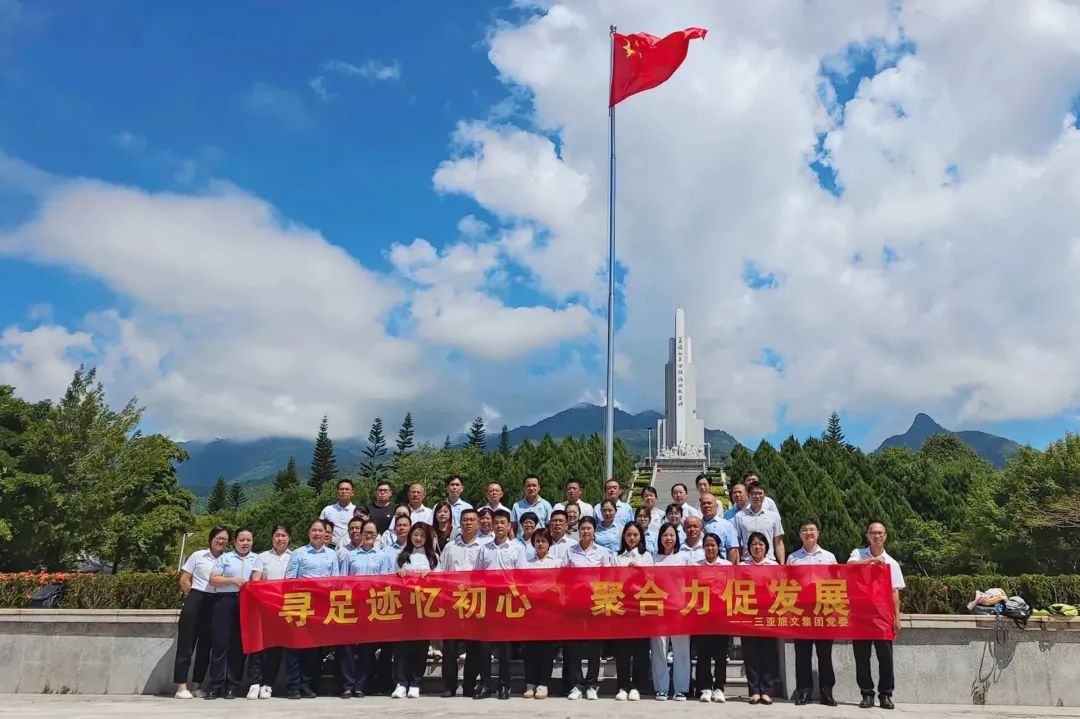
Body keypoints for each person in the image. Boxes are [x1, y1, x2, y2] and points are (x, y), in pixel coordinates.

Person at [848, 520, 904, 710]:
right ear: (867, 535)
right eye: (873, 532)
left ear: (885, 536)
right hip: (860, 616)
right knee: (862, 657)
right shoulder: (857, 554)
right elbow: (849, 568)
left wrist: (897, 618)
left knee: (885, 658)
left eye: (880, 533)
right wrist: (871, 561)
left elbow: (895, 592)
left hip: (883, 617)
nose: (877, 536)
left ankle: (886, 694)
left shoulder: (892, 563)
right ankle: (866, 693)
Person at [283, 519, 339, 699]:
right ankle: (293, 686)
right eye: (313, 530)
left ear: (326, 534)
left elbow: (335, 580)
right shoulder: (298, 553)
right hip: (300, 604)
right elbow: (289, 579)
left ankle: (306, 684)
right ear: (308, 533)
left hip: (321, 606)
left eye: (320, 531)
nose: (317, 533)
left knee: (314, 649)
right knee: (295, 647)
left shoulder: (332, 554)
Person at [475, 510, 527, 700]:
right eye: (495, 522)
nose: (498, 526)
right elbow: (477, 575)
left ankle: (504, 684)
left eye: (502, 522)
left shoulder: (517, 548)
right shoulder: (484, 548)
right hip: (488, 601)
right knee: (485, 647)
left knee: (505, 648)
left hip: (507, 602)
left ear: (509, 526)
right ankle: (485, 684)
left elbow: (522, 577)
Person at [174, 525, 230, 699]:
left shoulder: (228, 559)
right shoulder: (198, 555)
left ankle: (197, 685)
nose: (220, 541)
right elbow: (184, 578)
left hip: (216, 602)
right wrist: (191, 596)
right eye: (218, 537)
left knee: (206, 646)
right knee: (186, 644)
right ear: (211, 538)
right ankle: (181, 687)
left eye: (224, 539)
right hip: (196, 598)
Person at [787, 519, 838, 706]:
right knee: (802, 655)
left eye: (812, 530)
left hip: (823, 611)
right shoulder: (793, 558)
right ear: (800, 534)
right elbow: (788, 584)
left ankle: (827, 693)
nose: (808, 533)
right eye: (804, 530)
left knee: (825, 655)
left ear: (818, 533)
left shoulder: (829, 557)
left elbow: (836, 584)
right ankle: (804, 692)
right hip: (801, 612)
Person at [337, 519, 390, 699]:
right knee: (347, 647)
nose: (368, 535)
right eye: (365, 532)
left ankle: (359, 685)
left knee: (367, 650)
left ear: (376, 536)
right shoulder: (350, 556)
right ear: (359, 534)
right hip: (352, 606)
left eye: (372, 533)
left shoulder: (383, 556)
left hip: (371, 606)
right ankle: (347, 685)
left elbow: (385, 582)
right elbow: (343, 580)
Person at [437, 508, 486, 699]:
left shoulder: (484, 546)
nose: (468, 523)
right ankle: (449, 686)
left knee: (473, 647)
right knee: (450, 648)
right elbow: (441, 571)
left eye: (472, 520)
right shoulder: (450, 547)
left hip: (474, 601)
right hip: (452, 600)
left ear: (479, 523)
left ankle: (468, 685)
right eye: (465, 520)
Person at [206, 527, 255, 699]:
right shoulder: (225, 558)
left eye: (248, 540)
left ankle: (232, 685)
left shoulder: (257, 559)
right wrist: (233, 580)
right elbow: (213, 579)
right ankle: (215, 685)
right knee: (220, 644)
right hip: (225, 600)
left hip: (246, 603)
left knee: (238, 645)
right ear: (235, 541)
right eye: (242, 540)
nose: (245, 543)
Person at [564, 517, 610, 700]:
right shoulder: (570, 552)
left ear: (594, 531)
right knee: (574, 646)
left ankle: (591, 684)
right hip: (575, 604)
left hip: (595, 604)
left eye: (589, 528)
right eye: (582, 528)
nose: (585, 532)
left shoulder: (603, 552)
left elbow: (608, 578)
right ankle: (576, 684)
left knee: (594, 647)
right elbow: (563, 576)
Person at [390, 522, 438, 699]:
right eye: (415, 534)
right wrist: (399, 574)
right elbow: (389, 582)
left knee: (420, 647)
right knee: (401, 648)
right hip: (404, 608)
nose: (418, 538)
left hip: (424, 609)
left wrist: (431, 576)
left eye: (422, 536)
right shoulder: (401, 556)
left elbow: (442, 584)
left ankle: (416, 682)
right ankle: (401, 682)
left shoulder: (433, 558)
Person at [245, 524, 293, 700]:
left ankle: (267, 684)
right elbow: (255, 581)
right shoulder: (262, 557)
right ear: (272, 538)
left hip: (284, 608)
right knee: (258, 646)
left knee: (276, 648)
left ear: (289, 538)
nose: (280, 539)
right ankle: (254, 683)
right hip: (264, 608)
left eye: (283, 535)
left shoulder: (294, 557)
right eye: (277, 535)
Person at [612, 522, 652, 702]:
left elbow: (652, 580)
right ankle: (622, 686)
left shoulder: (646, 556)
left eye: (635, 534)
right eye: (628, 534)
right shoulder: (616, 556)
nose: (632, 538)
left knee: (640, 650)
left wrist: (639, 571)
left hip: (640, 608)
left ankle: (637, 685)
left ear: (640, 537)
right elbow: (611, 579)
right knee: (622, 650)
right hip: (622, 607)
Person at [651, 523, 691, 701]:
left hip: (680, 609)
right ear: (660, 538)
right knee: (659, 649)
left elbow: (692, 582)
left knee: (682, 650)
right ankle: (661, 688)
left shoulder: (684, 557)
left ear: (677, 538)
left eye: (672, 535)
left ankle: (681, 688)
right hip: (658, 609)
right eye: (665, 535)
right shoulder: (654, 558)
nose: (668, 538)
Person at [520, 528, 561, 699]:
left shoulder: (557, 562)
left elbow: (560, 586)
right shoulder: (527, 563)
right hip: (530, 611)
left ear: (549, 543)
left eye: (543, 541)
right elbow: (523, 585)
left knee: (546, 650)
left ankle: (544, 683)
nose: (540, 544)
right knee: (530, 650)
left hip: (549, 612)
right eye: (537, 541)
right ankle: (530, 683)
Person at [741, 531, 779, 705]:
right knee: (751, 654)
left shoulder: (774, 565)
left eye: (761, 544)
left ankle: (767, 690)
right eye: (754, 544)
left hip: (768, 615)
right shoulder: (742, 566)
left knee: (768, 653)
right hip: (747, 615)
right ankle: (754, 690)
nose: (757, 547)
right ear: (749, 547)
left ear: (766, 547)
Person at [695, 533, 732, 703]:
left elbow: (732, 589)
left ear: (719, 547)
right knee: (703, 655)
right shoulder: (696, 566)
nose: (710, 548)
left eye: (713, 545)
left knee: (720, 655)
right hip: (702, 618)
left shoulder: (728, 565)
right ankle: (705, 688)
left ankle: (719, 687)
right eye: (707, 545)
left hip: (721, 618)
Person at [733, 484, 786, 563]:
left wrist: (782, 564)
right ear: (749, 495)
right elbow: (736, 544)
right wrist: (737, 565)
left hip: (769, 561)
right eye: (754, 493)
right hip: (747, 561)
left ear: (764, 495)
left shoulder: (774, 516)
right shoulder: (739, 516)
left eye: (760, 493)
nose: (757, 496)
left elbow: (778, 542)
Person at [699, 494, 740, 564]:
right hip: (700, 566)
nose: (706, 506)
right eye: (703, 503)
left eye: (709, 503)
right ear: (700, 507)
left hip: (720, 566)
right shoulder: (696, 526)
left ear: (716, 506)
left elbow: (732, 549)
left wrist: (728, 569)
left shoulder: (726, 525)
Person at [320, 479, 356, 548]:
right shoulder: (327, 510)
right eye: (341, 489)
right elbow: (320, 529)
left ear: (352, 493)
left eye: (347, 489)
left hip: (351, 547)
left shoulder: (357, 511)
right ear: (337, 492)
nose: (344, 492)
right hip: (330, 547)